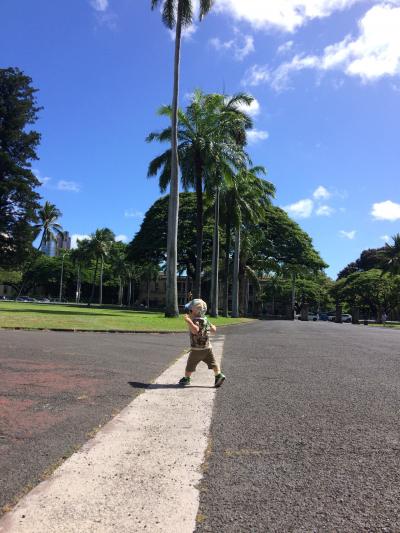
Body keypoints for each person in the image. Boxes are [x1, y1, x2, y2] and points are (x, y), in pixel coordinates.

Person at [179, 298, 225, 388]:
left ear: (193, 312)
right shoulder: (205, 319)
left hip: (197, 349)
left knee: (190, 365)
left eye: (189, 311)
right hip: (207, 348)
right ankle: (218, 375)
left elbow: (195, 330)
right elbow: (213, 330)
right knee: (213, 363)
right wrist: (213, 326)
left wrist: (188, 321)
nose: (188, 312)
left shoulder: (194, 320)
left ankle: (186, 378)